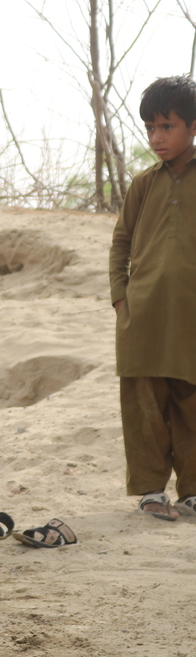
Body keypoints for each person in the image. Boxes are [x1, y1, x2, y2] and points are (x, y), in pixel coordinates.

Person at [110, 75, 196, 521]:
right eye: (150, 128)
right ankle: (149, 492)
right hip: (141, 315)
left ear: (193, 127)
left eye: (167, 126)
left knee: (191, 403)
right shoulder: (143, 183)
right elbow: (121, 243)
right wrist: (120, 299)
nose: (157, 138)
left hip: (190, 315)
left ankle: (193, 492)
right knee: (143, 404)